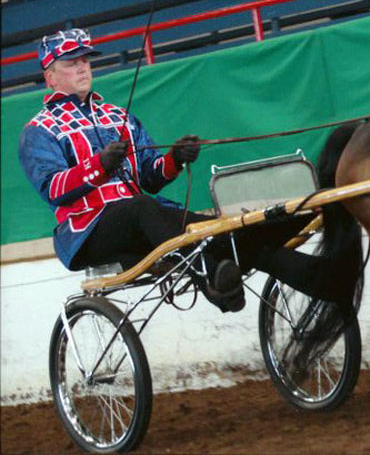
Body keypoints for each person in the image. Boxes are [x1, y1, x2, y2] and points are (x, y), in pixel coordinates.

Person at [18, 28, 245, 312]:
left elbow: (151, 175)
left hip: (143, 216)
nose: (82, 68)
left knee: (211, 226)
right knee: (140, 207)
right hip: (87, 232)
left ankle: (270, 260)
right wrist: (98, 165)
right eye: (71, 63)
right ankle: (210, 273)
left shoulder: (118, 116)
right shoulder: (37, 130)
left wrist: (175, 158)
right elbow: (53, 189)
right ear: (50, 77)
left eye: (86, 61)